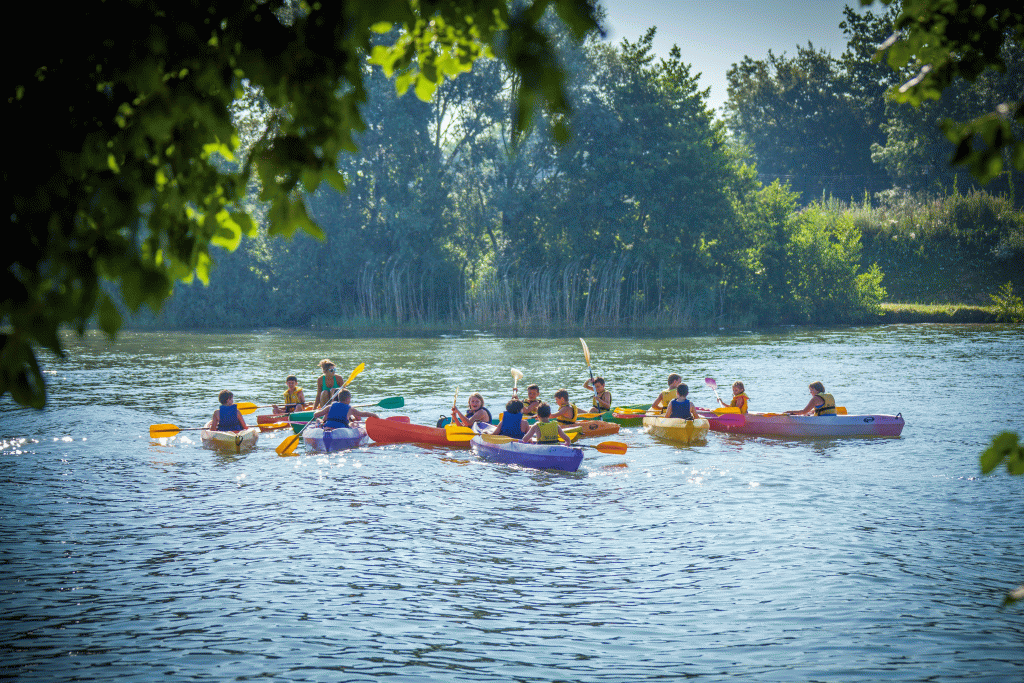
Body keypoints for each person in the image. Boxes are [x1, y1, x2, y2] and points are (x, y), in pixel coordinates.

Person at [312, 389, 376, 429]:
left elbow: (316, 415)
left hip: (327, 427)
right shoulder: (350, 409)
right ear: (348, 399)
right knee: (354, 423)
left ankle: (319, 427)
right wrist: (374, 415)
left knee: (318, 420)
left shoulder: (330, 406)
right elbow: (363, 414)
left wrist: (318, 411)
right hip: (341, 429)